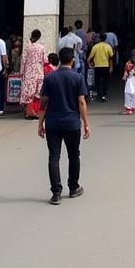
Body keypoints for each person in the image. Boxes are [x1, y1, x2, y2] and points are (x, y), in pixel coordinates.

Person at [38, 46, 91, 205]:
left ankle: (56, 193)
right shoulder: (77, 77)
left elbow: (44, 102)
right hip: (72, 123)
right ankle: (73, 187)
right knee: (73, 155)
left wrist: (40, 123)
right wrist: (86, 123)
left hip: (53, 123)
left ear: (60, 59)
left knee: (54, 156)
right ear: (72, 60)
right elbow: (81, 101)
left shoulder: (50, 78)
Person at [19, 30, 49, 120]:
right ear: (39, 37)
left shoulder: (27, 47)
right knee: (38, 93)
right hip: (39, 73)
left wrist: (21, 72)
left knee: (29, 93)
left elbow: (23, 61)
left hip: (28, 73)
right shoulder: (41, 48)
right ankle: (37, 112)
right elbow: (45, 60)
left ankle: (29, 112)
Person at [87, 35, 114, 103]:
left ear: (99, 38)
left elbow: (90, 57)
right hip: (106, 66)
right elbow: (111, 58)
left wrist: (89, 64)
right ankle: (104, 95)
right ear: (105, 38)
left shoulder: (95, 46)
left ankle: (99, 95)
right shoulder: (108, 46)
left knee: (98, 81)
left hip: (97, 67)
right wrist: (111, 67)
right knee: (105, 81)